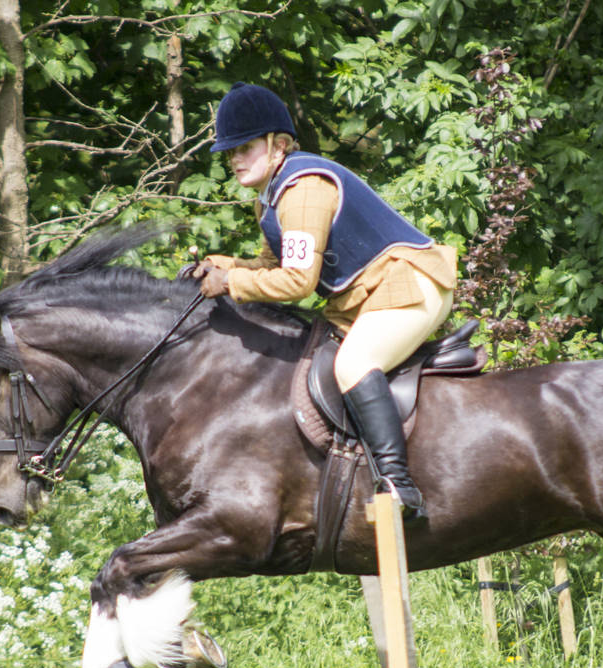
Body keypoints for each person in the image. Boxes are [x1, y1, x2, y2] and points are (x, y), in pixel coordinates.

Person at [192, 82, 457, 524]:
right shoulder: (271, 196)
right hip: (368, 294)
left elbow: (296, 281)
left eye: (245, 147)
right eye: (230, 151)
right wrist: (227, 264)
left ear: (278, 145)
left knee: (352, 364)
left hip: (410, 283)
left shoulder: (303, 189)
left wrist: (231, 281)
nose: (234, 158)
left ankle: (398, 485)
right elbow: (272, 264)